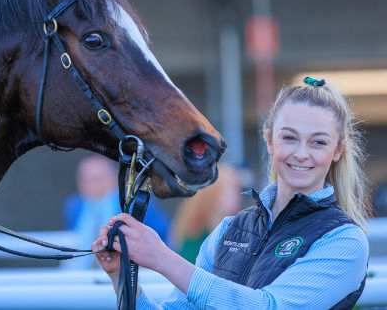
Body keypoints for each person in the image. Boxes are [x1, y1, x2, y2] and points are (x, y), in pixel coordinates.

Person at [93, 77, 370, 309]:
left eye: (318, 142)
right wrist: (121, 278)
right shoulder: (228, 229)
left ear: (337, 151)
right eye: (289, 137)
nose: (301, 153)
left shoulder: (345, 240)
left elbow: (270, 307)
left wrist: (162, 258)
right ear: (270, 141)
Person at [64, 153, 170, 269]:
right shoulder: (74, 205)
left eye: (97, 179)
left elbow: (163, 235)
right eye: (86, 180)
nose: (92, 186)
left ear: (114, 178)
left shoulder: (134, 202)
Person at [169, 163, 244, 263]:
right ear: (213, 194)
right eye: (232, 190)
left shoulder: (237, 232)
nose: (238, 195)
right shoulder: (194, 241)